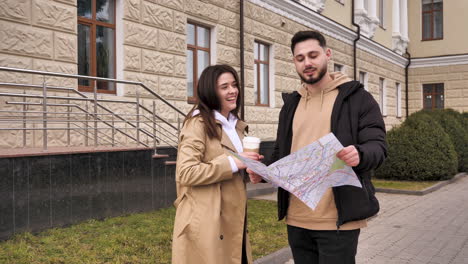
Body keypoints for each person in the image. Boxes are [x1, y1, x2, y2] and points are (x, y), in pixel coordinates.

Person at [249, 31, 387, 264]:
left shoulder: (356, 98)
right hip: (297, 219)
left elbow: (378, 146)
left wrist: (360, 154)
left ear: (327, 54)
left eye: (313, 55)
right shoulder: (291, 104)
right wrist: (261, 173)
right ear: (294, 61)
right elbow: (280, 155)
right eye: (300, 58)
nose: (307, 63)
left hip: (338, 221)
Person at [172, 64, 261, 264]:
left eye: (234, 85)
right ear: (211, 92)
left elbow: (235, 168)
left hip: (232, 219)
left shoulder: (235, 124)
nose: (233, 91)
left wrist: (251, 171)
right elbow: (186, 172)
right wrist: (233, 162)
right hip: (207, 221)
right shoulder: (197, 124)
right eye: (224, 87)